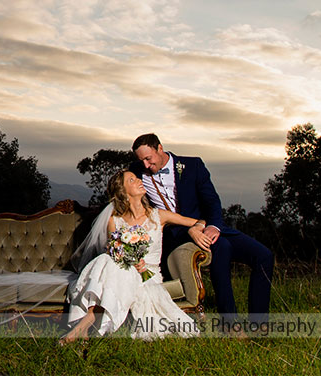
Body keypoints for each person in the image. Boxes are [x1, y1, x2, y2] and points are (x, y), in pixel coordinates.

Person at [130, 133, 274, 325]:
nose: (146, 165)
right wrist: (189, 229)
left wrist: (212, 226)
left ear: (160, 148)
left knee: (264, 256)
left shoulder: (193, 165)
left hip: (207, 226)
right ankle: (230, 323)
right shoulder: (135, 173)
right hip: (176, 234)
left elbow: (211, 200)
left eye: (148, 159)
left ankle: (259, 324)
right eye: (142, 161)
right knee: (222, 247)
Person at [61, 169, 209, 342]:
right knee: (109, 262)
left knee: (114, 268)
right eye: (132, 180)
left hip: (148, 275)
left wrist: (194, 230)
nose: (139, 180)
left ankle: (82, 327)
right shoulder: (114, 220)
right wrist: (129, 260)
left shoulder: (159, 216)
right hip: (122, 271)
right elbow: (114, 253)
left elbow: (201, 221)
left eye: (137, 177)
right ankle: (83, 328)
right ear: (123, 192)